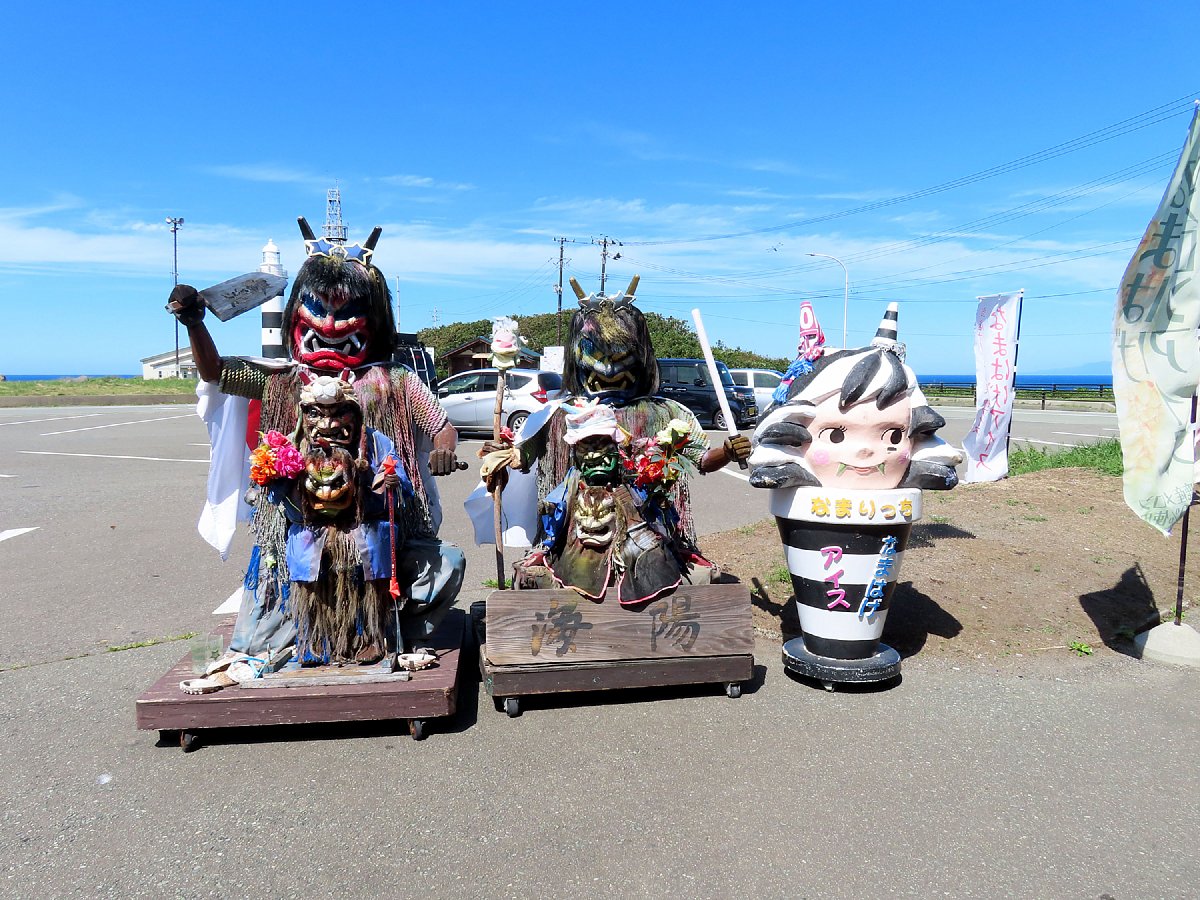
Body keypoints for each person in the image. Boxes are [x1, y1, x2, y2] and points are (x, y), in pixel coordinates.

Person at [168, 219, 464, 665]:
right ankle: (304, 629)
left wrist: (443, 447)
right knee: (257, 639)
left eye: (346, 313)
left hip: (378, 523)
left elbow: (439, 423)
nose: (329, 324)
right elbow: (216, 373)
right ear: (295, 315)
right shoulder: (279, 381)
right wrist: (195, 324)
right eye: (317, 308)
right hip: (298, 528)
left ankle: (388, 630)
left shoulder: (394, 381)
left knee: (443, 566)